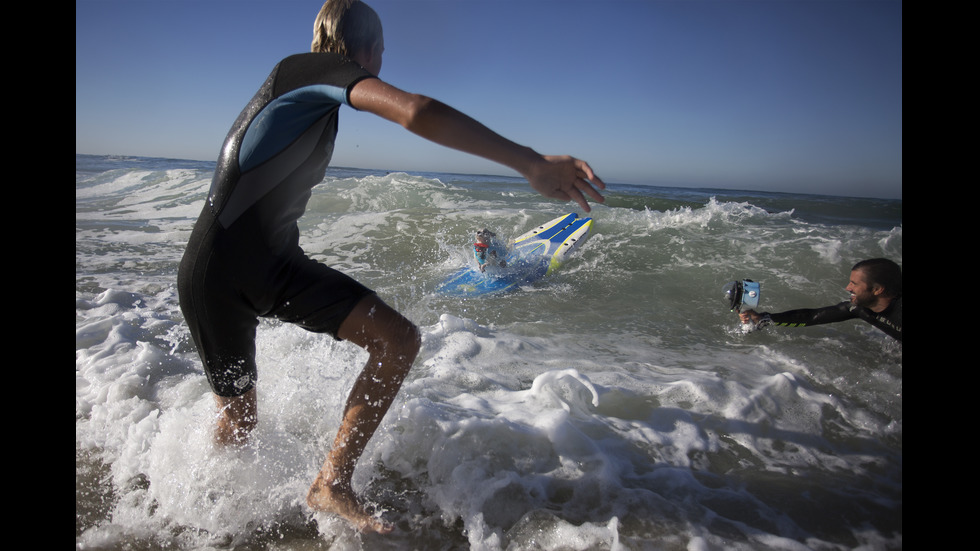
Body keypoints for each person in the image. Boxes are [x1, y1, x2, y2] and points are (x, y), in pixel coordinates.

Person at [176, 0, 605, 534]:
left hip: (272, 267)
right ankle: (203, 523)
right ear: (367, 47)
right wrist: (532, 163)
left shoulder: (314, 98)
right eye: (381, 48)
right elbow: (414, 110)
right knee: (237, 423)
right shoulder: (302, 71)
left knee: (397, 340)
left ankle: (329, 483)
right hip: (214, 273)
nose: (382, 57)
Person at [738, 258, 902, 342]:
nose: (848, 288)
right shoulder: (861, 308)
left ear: (877, 289)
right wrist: (763, 318)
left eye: (854, 283)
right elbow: (811, 316)